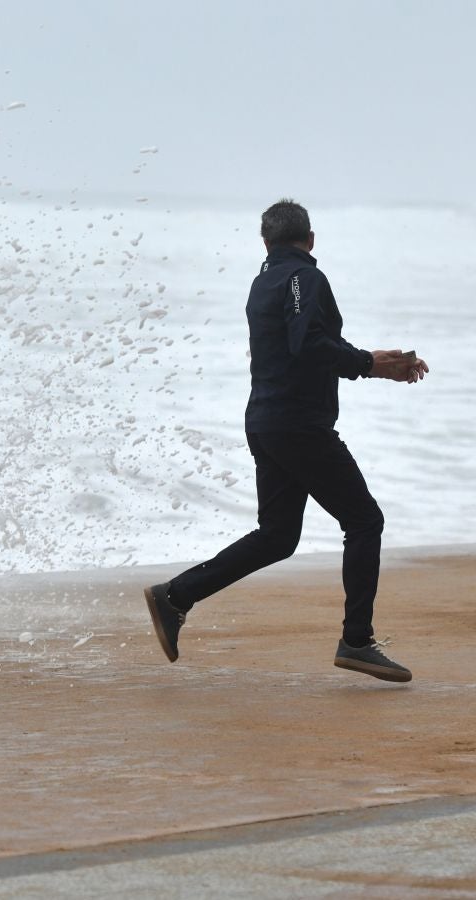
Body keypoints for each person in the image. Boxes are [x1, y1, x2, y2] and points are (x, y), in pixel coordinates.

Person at [143, 199, 427, 683]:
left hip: (267, 422)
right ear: (310, 240)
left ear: (265, 241)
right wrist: (370, 365)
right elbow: (308, 345)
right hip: (298, 426)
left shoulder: (263, 282)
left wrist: (367, 360)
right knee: (364, 521)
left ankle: (175, 596)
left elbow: (303, 343)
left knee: (277, 536)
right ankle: (356, 640)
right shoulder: (304, 278)